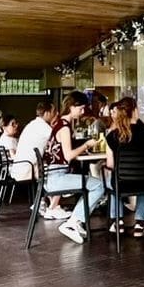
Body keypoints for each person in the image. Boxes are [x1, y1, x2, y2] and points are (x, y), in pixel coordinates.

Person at [42, 93, 105, 244]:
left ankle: (76, 221)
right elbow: (69, 155)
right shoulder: (64, 127)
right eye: (81, 108)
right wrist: (87, 145)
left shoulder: (60, 124)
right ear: (71, 107)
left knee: (92, 184)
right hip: (57, 177)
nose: (82, 112)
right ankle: (73, 222)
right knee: (98, 186)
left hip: (52, 175)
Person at [104, 96, 144, 237]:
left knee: (112, 180)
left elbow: (110, 164)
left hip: (122, 183)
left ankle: (118, 221)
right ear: (134, 111)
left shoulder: (112, 136)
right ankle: (140, 224)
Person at [14, 101, 54, 187]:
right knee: (58, 170)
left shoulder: (32, 124)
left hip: (19, 167)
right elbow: (58, 139)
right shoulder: (44, 127)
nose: (55, 114)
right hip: (28, 169)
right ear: (47, 113)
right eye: (53, 112)